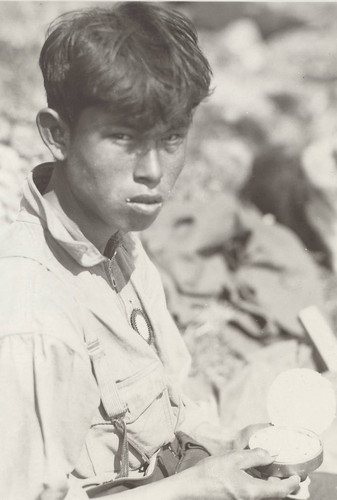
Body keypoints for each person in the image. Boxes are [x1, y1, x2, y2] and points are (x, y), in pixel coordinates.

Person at [0, 3, 301, 499]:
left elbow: (171, 406)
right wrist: (199, 489)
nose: (153, 172)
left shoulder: (118, 241)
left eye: (172, 138)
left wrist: (227, 447)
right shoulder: (32, 316)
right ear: (57, 134)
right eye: (123, 137)